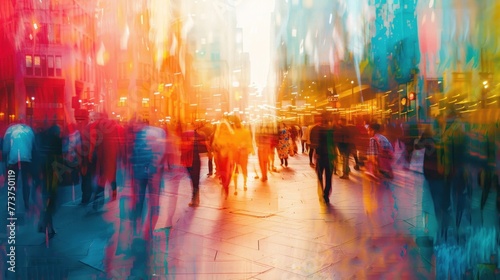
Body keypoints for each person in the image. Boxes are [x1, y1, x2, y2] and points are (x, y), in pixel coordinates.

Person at [2, 121, 35, 212]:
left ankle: (11, 203)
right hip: (27, 158)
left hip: (13, 158)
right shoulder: (29, 130)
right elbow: (33, 146)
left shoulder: (10, 130)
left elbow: (5, 149)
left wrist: (6, 164)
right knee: (25, 181)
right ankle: (26, 202)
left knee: (12, 181)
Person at [310, 114, 336, 204]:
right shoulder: (331, 131)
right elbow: (334, 143)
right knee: (328, 177)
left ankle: (321, 191)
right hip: (329, 157)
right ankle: (326, 194)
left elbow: (312, 143)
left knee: (320, 175)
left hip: (319, 156)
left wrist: (314, 155)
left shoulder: (315, 129)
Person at [181, 122, 207, 207]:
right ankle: (196, 197)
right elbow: (181, 147)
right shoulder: (185, 135)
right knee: (194, 180)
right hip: (189, 161)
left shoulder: (197, 136)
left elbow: (204, 148)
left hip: (193, 161)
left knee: (194, 180)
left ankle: (195, 198)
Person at [212, 120, 235, 199]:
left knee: (229, 172)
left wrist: (228, 147)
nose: (223, 129)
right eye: (222, 127)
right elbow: (214, 145)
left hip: (229, 156)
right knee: (222, 172)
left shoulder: (231, 135)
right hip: (220, 156)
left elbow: (233, 145)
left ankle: (226, 185)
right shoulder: (217, 136)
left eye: (225, 127)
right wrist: (217, 148)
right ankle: (225, 187)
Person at [232, 117, 253, 192]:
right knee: (236, 169)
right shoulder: (234, 132)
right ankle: (241, 184)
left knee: (243, 168)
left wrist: (246, 147)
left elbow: (248, 141)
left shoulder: (245, 131)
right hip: (236, 153)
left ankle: (244, 183)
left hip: (243, 153)